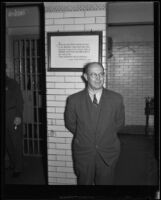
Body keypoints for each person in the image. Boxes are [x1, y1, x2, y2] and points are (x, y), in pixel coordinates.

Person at [65, 62, 125, 185]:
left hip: (108, 153)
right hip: (84, 153)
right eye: (93, 75)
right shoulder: (73, 100)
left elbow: (119, 123)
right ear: (86, 77)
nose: (98, 78)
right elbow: (70, 124)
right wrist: (86, 135)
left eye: (101, 74)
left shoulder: (116, 99)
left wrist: (104, 135)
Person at [5, 75, 24, 177]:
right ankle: (13, 163)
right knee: (7, 142)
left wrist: (18, 115)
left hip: (12, 115)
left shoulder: (12, 83)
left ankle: (18, 168)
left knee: (16, 142)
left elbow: (19, 100)